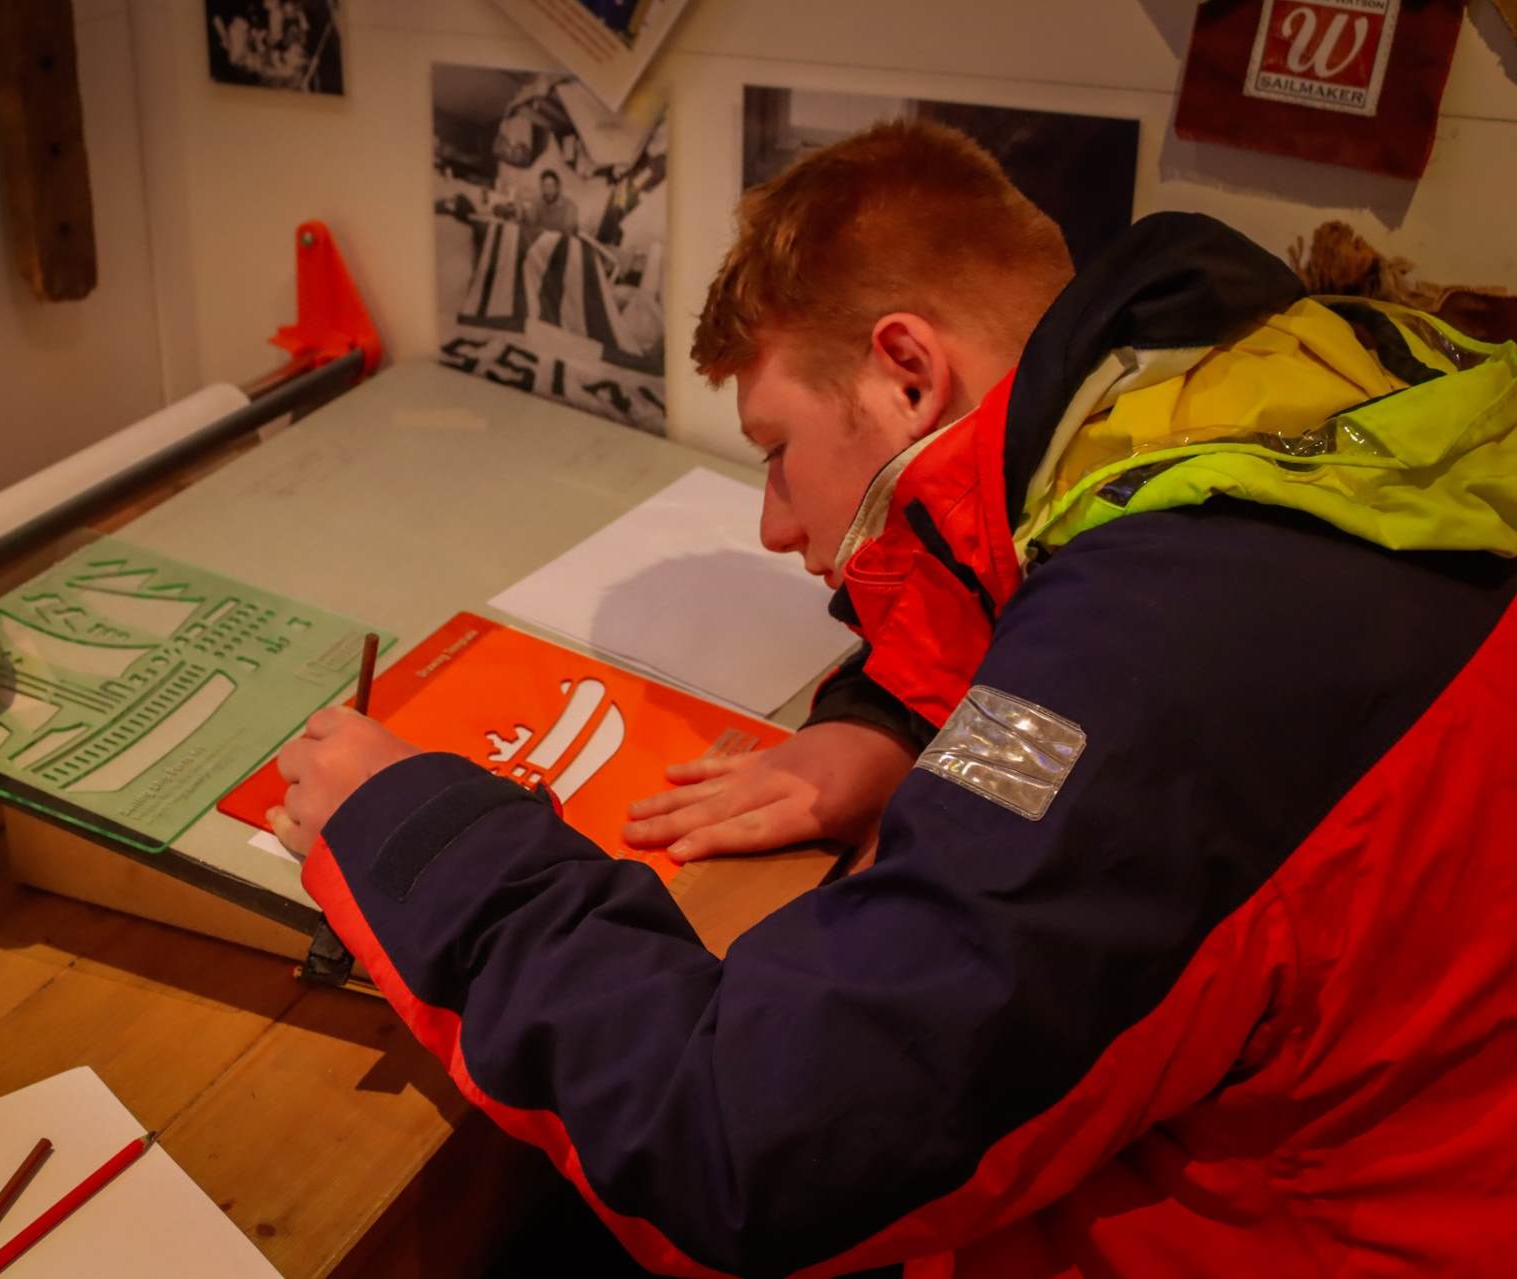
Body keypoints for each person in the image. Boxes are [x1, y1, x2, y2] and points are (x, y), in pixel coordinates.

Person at [268, 121, 1517, 1276]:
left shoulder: (1174, 647)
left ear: (907, 373)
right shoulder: (1283, 387)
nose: (773, 525)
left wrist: (416, 832)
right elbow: (1025, 568)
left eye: (775, 450)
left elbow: (746, 1143)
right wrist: (889, 719)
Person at [523, 168, 580, 237]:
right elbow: (530, 225)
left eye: (551, 186)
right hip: (540, 240)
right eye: (545, 186)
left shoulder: (570, 207)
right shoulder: (536, 202)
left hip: (561, 241)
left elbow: (567, 233)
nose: (548, 190)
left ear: (558, 187)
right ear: (541, 188)